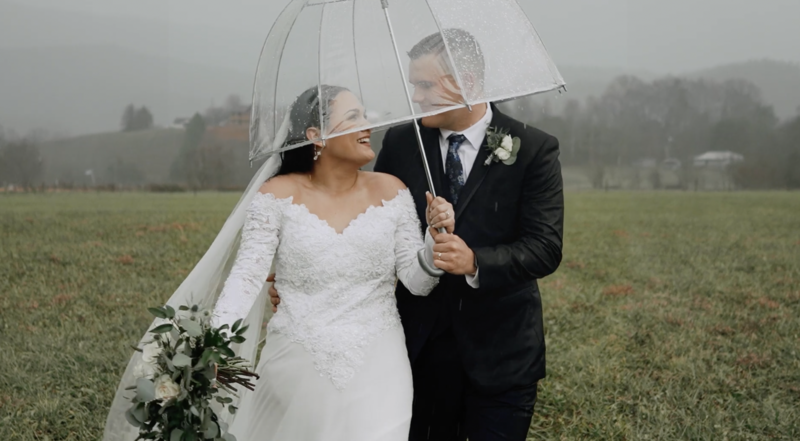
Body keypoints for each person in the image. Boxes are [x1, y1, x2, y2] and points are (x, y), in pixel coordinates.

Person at [103, 84, 456, 441]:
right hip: (296, 364)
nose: (367, 126)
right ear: (316, 136)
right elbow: (245, 279)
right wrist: (212, 346)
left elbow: (417, 281)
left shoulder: (392, 191)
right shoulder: (277, 196)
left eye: (365, 116)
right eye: (353, 118)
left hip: (380, 368)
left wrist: (434, 240)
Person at [271, 29, 564, 441]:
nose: (417, 96)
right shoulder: (402, 143)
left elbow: (545, 247)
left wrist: (475, 262)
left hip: (502, 357)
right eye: (415, 85)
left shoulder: (532, 148)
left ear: (469, 83)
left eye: (425, 85)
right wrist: (302, 277)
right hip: (418, 356)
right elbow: (365, 224)